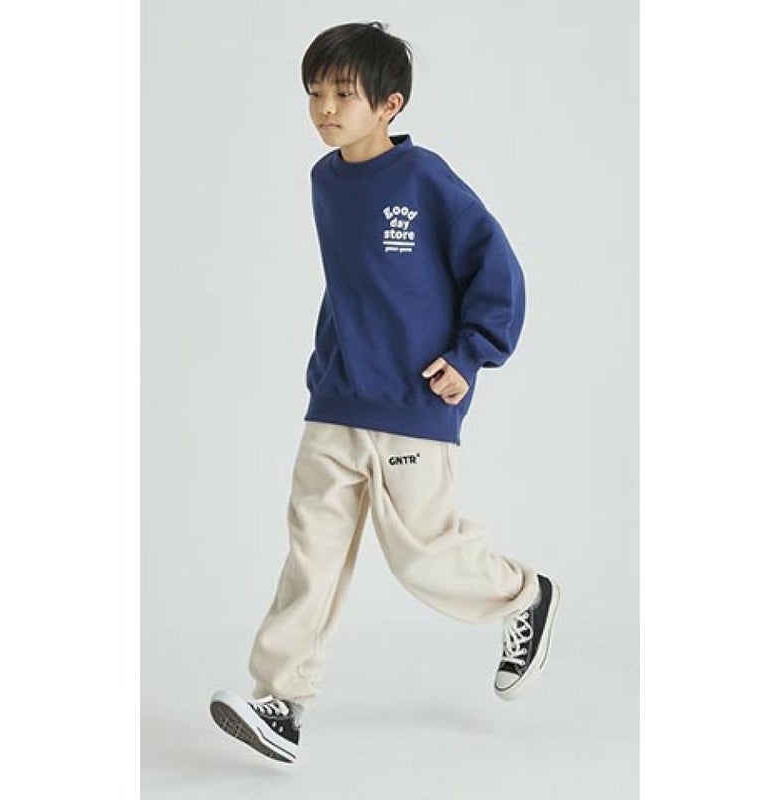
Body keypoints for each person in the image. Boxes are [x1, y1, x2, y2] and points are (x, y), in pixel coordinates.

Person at [209, 20, 561, 765]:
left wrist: (472, 354)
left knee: (421, 555)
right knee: (311, 553)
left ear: (389, 104)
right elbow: (353, 284)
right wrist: (326, 362)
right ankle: (281, 701)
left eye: (343, 94)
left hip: (415, 400)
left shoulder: (425, 179)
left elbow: (495, 266)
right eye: (315, 93)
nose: (324, 109)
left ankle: (523, 595)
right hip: (338, 397)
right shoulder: (325, 181)